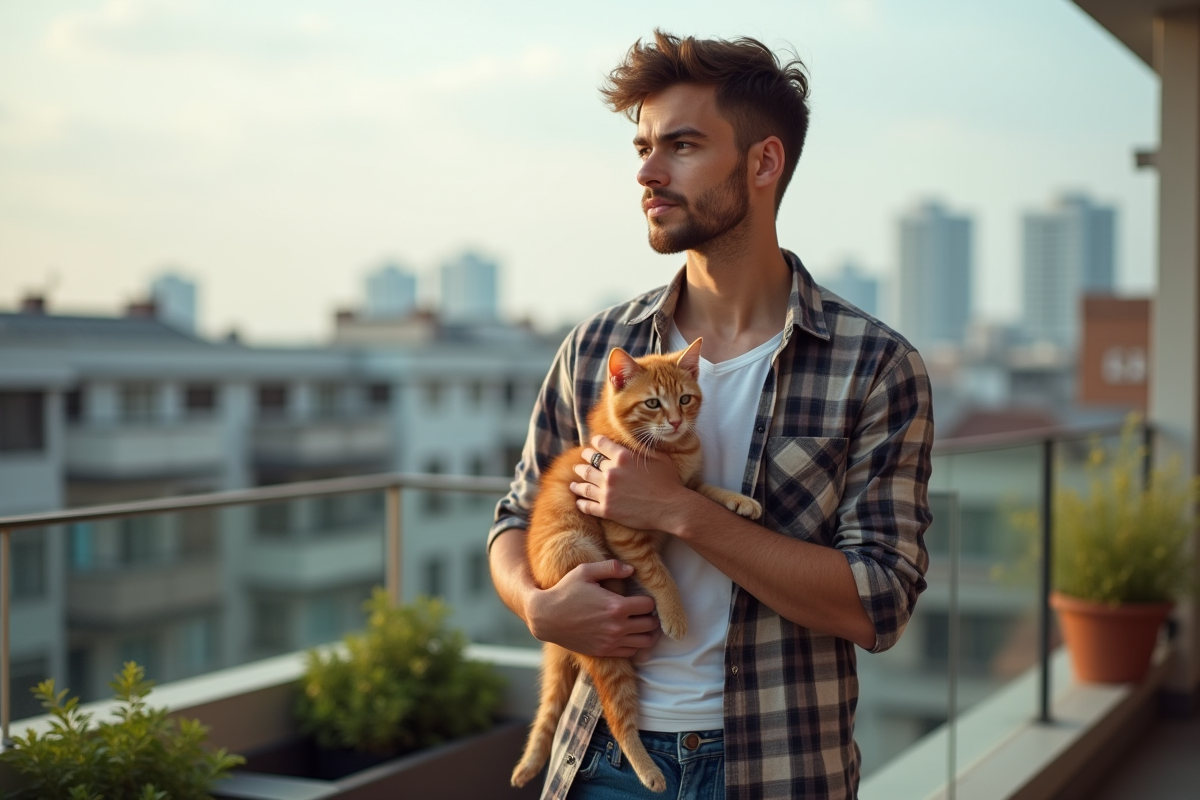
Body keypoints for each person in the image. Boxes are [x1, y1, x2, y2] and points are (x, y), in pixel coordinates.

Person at [489, 30, 933, 800]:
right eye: (642, 147)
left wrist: (680, 511)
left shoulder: (875, 366)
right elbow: (513, 520)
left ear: (763, 163)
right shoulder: (598, 348)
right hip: (602, 757)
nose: (647, 173)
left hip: (780, 764)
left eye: (682, 146)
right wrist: (539, 606)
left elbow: (879, 600)